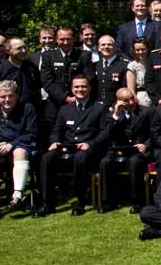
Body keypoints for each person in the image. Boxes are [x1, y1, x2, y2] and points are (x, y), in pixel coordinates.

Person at [35, 75, 107, 217]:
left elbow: (105, 133)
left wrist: (90, 144)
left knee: (81, 158)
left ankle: (80, 201)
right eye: (76, 87)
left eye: (83, 86)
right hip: (67, 148)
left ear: (90, 88)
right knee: (47, 158)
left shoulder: (99, 108)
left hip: (88, 150)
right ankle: (47, 203)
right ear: (71, 89)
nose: (80, 89)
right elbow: (57, 130)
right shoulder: (65, 109)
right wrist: (54, 141)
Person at [0, 80, 37, 214]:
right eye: (3, 97)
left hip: (19, 146)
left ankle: (18, 196)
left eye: (10, 96)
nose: (7, 99)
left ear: (17, 96)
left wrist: (11, 145)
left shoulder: (27, 109)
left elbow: (31, 133)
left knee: (19, 152)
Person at [98, 88, 152, 213]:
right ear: (119, 101)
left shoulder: (147, 112)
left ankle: (138, 201)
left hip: (140, 151)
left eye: (132, 98)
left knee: (134, 162)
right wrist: (116, 116)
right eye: (127, 100)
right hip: (119, 150)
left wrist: (146, 145)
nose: (132, 102)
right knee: (105, 162)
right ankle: (108, 202)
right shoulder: (113, 115)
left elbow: (154, 132)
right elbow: (108, 134)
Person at [125, 38, 152, 107]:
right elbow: (130, 88)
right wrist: (134, 101)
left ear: (148, 49)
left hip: (155, 98)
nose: (140, 52)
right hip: (141, 100)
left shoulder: (153, 63)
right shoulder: (132, 66)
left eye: (143, 49)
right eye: (137, 50)